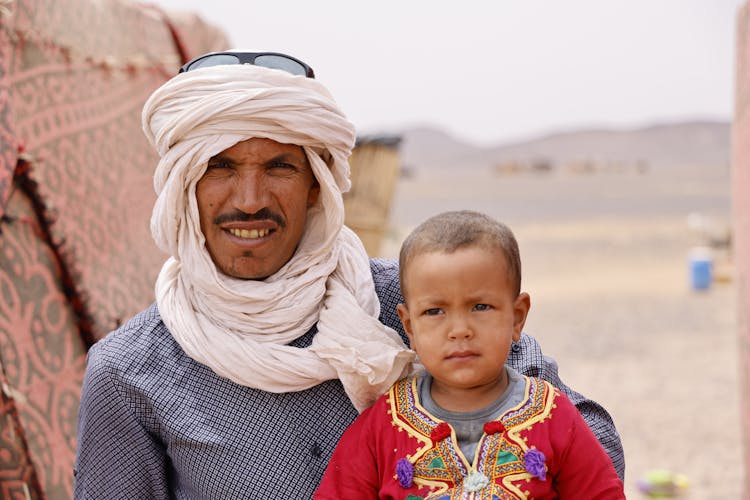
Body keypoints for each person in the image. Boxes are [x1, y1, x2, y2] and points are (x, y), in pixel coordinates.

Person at [73, 51, 624, 499]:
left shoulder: (417, 303)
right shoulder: (130, 372)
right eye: (219, 166)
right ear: (181, 185)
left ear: (317, 185)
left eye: (279, 167)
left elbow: (586, 435)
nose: (249, 199)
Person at [315, 210, 625, 499]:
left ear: (517, 317)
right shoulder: (383, 425)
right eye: (434, 311)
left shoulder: (554, 415)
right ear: (409, 326)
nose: (460, 330)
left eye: (480, 307)